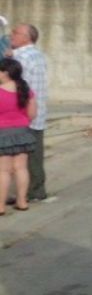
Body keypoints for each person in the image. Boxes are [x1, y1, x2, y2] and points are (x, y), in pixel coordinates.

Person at [9, 23, 48, 202]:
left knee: (21, 157)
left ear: (27, 37)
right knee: (34, 155)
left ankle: (29, 192)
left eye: (16, 33)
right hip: (36, 112)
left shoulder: (20, 58)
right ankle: (35, 190)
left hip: (21, 115)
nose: (12, 35)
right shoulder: (38, 55)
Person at [0, 57, 37, 214]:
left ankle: (0, 205)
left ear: (5, 73)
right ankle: (22, 201)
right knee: (21, 168)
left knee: (4, 171)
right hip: (23, 131)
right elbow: (32, 114)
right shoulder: (26, 90)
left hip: (3, 133)